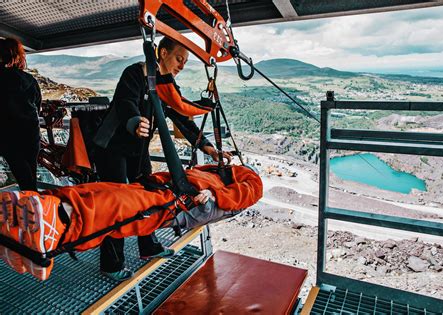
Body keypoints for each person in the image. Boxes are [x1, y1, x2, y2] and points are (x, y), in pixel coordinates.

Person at [94, 37, 232, 281]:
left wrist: (210, 149)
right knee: (116, 204)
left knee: (149, 197)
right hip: (113, 148)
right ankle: (111, 263)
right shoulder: (135, 73)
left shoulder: (167, 86)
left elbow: (182, 118)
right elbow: (125, 102)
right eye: (179, 59)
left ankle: (147, 246)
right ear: (163, 52)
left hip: (138, 151)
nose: (181, 65)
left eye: (185, 62)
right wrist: (135, 122)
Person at [0, 164, 263, 281]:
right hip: (166, 192)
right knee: (107, 193)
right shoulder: (219, 172)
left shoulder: (247, 178)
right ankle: (36, 212)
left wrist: (216, 194)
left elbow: (252, 191)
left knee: (117, 208)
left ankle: (56, 220)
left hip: (175, 201)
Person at [0, 38, 42, 191]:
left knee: (24, 176)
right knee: (29, 176)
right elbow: (38, 106)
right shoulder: (29, 80)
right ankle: (35, 207)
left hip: (6, 134)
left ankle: (31, 206)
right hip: (30, 133)